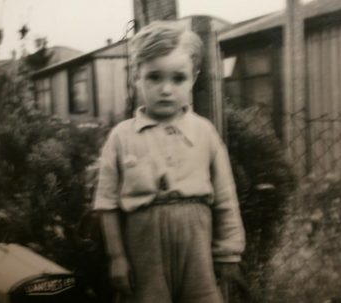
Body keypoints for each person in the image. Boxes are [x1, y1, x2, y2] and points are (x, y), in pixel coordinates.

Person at [93, 20, 245, 303]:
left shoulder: (204, 133)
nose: (166, 89)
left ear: (194, 78)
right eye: (154, 77)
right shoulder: (121, 137)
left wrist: (229, 253)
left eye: (178, 78)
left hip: (196, 248)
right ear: (136, 77)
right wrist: (117, 257)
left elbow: (226, 198)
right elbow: (107, 204)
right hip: (144, 251)